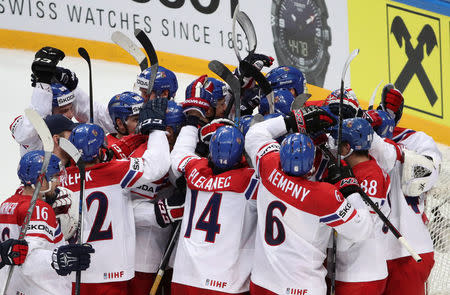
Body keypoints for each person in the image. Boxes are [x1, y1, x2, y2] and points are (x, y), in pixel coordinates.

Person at [244, 107, 375, 295]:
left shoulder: (268, 166)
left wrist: (292, 121)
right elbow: (362, 231)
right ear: (312, 166)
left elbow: (255, 133)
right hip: (302, 289)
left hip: (262, 283)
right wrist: (350, 190)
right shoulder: (325, 195)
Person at [60, 98, 170, 294]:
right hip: (113, 272)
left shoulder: (63, 179)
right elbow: (158, 164)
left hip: (75, 272)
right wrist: (156, 130)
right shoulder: (117, 172)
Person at [169, 112, 259, 294]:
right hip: (225, 283)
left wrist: (191, 124)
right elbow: (272, 170)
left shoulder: (195, 170)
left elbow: (178, 155)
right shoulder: (250, 181)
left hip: (184, 277)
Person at [367, 84, 440, 295]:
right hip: (368, 254)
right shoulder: (362, 139)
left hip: (409, 248)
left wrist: (387, 145)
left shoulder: (418, 140)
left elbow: (426, 174)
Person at [0, 150, 93, 295]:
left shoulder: (7, 204)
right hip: (41, 288)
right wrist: (58, 259)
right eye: (55, 176)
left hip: (13, 287)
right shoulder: (38, 208)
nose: (58, 182)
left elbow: (13, 252)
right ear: (40, 179)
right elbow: (26, 258)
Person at [329, 118, 391, 295]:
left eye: (338, 144)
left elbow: (360, 226)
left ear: (348, 148)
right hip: (362, 270)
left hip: (360, 273)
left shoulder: (370, 176)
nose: (335, 148)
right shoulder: (362, 167)